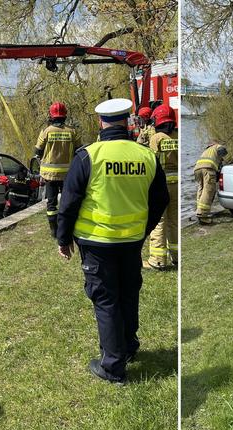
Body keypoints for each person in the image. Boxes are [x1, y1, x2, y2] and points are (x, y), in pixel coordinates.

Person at [56, 98, 169, 384]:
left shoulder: (88, 156)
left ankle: (113, 366)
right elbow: (161, 199)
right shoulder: (145, 155)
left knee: (105, 300)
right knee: (128, 294)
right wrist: (144, 229)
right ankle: (129, 347)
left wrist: (63, 238)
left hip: (96, 243)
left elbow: (68, 203)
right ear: (129, 120)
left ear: (100, 123)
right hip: (132, 241)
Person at [35, 102, 82, 237]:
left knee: (51, 203)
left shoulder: (46, 131)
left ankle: (54, 231)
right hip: (68, 174)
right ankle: (67, 227)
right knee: (67, 201)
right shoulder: (72, 131)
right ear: (65, 115)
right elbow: (79, 150)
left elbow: (37, 151)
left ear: (51, 115)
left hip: (50, 175)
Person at [145, 104, 178, 269]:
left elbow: (151, 162)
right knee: (174, 221)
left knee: (159, 221)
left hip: (162, 184)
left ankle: (157, 260)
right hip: (177, 184)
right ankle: (177, 256)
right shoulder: (177, 136)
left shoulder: (156, 138)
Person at [193, 143, 228, 224]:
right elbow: (222, 151)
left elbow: (218, 159)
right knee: (208, 191)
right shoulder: (218, 146)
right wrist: (231, 159)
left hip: (197, 169)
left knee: (201, 189)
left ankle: (199, 211)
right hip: (208, 169)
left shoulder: (207, 150)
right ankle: (203, 215)